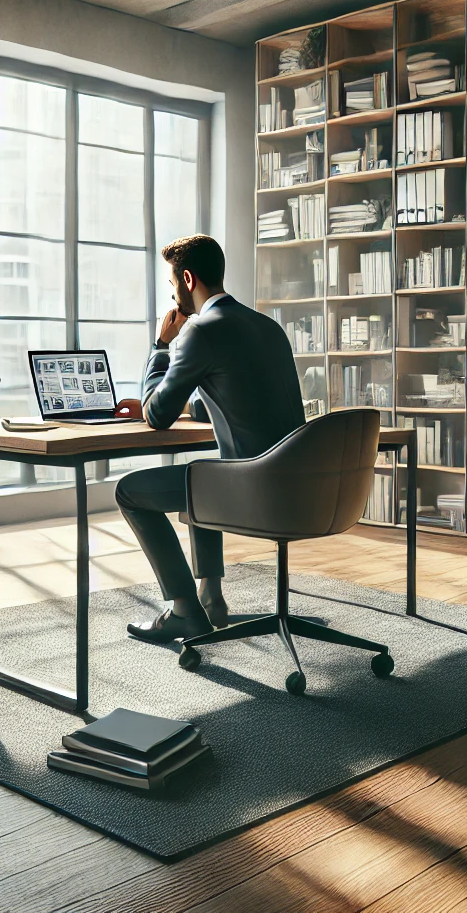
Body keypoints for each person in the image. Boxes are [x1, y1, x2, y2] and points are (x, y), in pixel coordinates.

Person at [118, 234, 306, 643]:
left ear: (187, 279)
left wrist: (161, 345)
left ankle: (185, 610)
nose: (172, 294)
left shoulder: (199, 332)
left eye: (172, 285)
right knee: (201, 475)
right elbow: (239, 396)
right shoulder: (267, 326)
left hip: (255, 492)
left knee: (130, 492)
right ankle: (212, 598)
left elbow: (156, 415)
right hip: (300, 487)